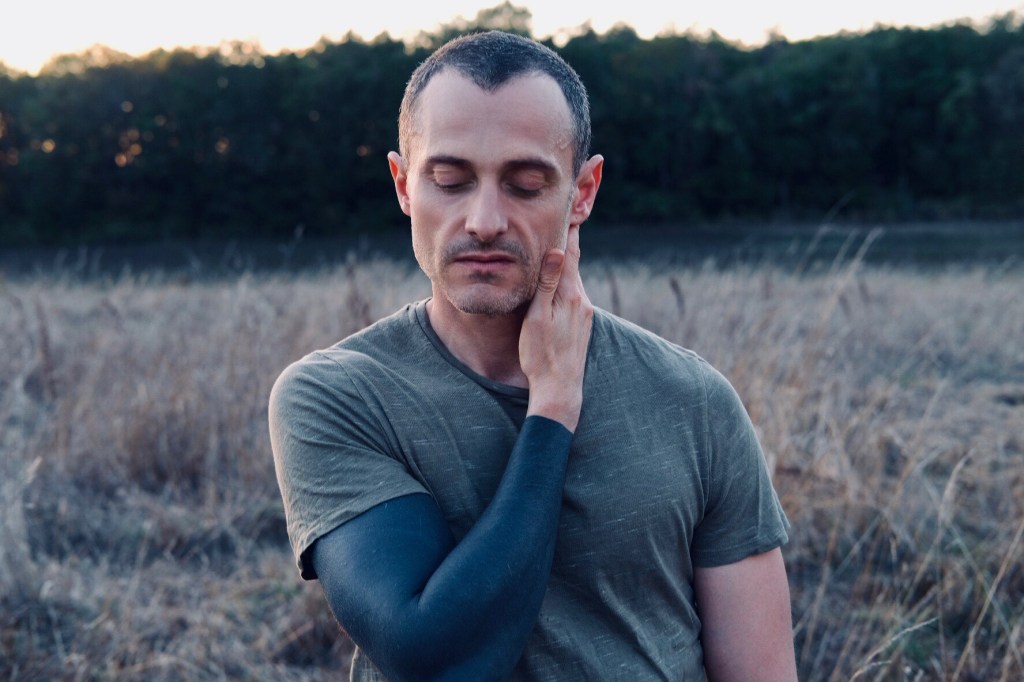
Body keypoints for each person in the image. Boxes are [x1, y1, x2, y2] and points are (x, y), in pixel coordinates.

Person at [269, 30, 796, 681]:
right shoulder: (339, 396)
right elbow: (435, 659)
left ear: (583, 192)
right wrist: (552, 408)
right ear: (404, 185)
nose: (485, 219)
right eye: (450, 179)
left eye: (524, 184)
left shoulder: (695, 401)